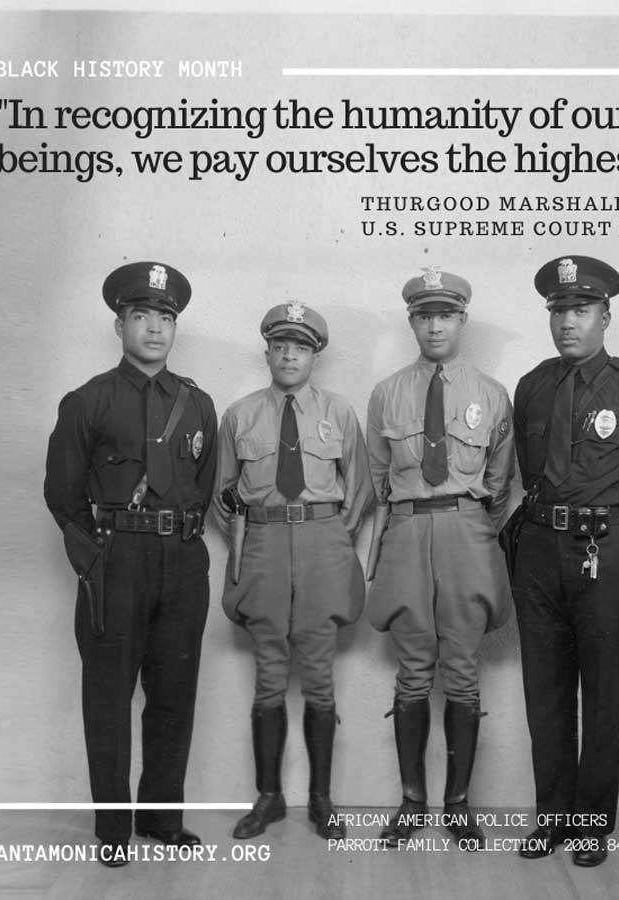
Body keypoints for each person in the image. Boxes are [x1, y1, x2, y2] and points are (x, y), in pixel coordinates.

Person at [44, 261, 217, 867]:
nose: (154, 328)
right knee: (109, 698)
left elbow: (203, 484)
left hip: (183, 561)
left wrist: (177, 539)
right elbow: (62, 495)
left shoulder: (198, 404)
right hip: (116, 561)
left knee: (174, 694)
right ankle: (114, 831)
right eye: (141, 315)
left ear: (176, 327)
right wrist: (95, 562)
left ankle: (162, 820)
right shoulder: (88, 401)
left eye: (165, 317)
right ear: (119, 325)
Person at [510, 255, 619, 867]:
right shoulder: (532, 387)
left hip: (606, 554)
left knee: (604, 694)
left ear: (606, 317)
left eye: (581, 310)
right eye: (558, 311)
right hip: (539, 550)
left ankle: (590, 827)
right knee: (546, 692)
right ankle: (552, 817)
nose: (567, 322)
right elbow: (531, 472)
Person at [213, 302, 374, 842]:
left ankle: (322, 800)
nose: (289, 356)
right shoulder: (240, 415)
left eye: (300, 347)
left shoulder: (338, 412)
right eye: (280, 346)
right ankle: (269, 798)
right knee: (268, 674)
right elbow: (222, 494)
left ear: (314, 357)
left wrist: (331, 537)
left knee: (320, 675)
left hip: (322, 543)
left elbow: (360, 489)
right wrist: (252, 537)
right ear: (267, 353)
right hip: (262, 544)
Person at [366, 267, 514, 850]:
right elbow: (379, 476)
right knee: (412, 668)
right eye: (424, 316)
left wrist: (468, 526)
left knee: (462, 668)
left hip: (466, 530)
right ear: (412, 322)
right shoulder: (386, 394)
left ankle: (458, 805)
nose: (435, 326)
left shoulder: (491, 395)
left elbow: (499, 484)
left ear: (462, 320)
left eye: (446, 315)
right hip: (406, 529)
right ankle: (411, 802)